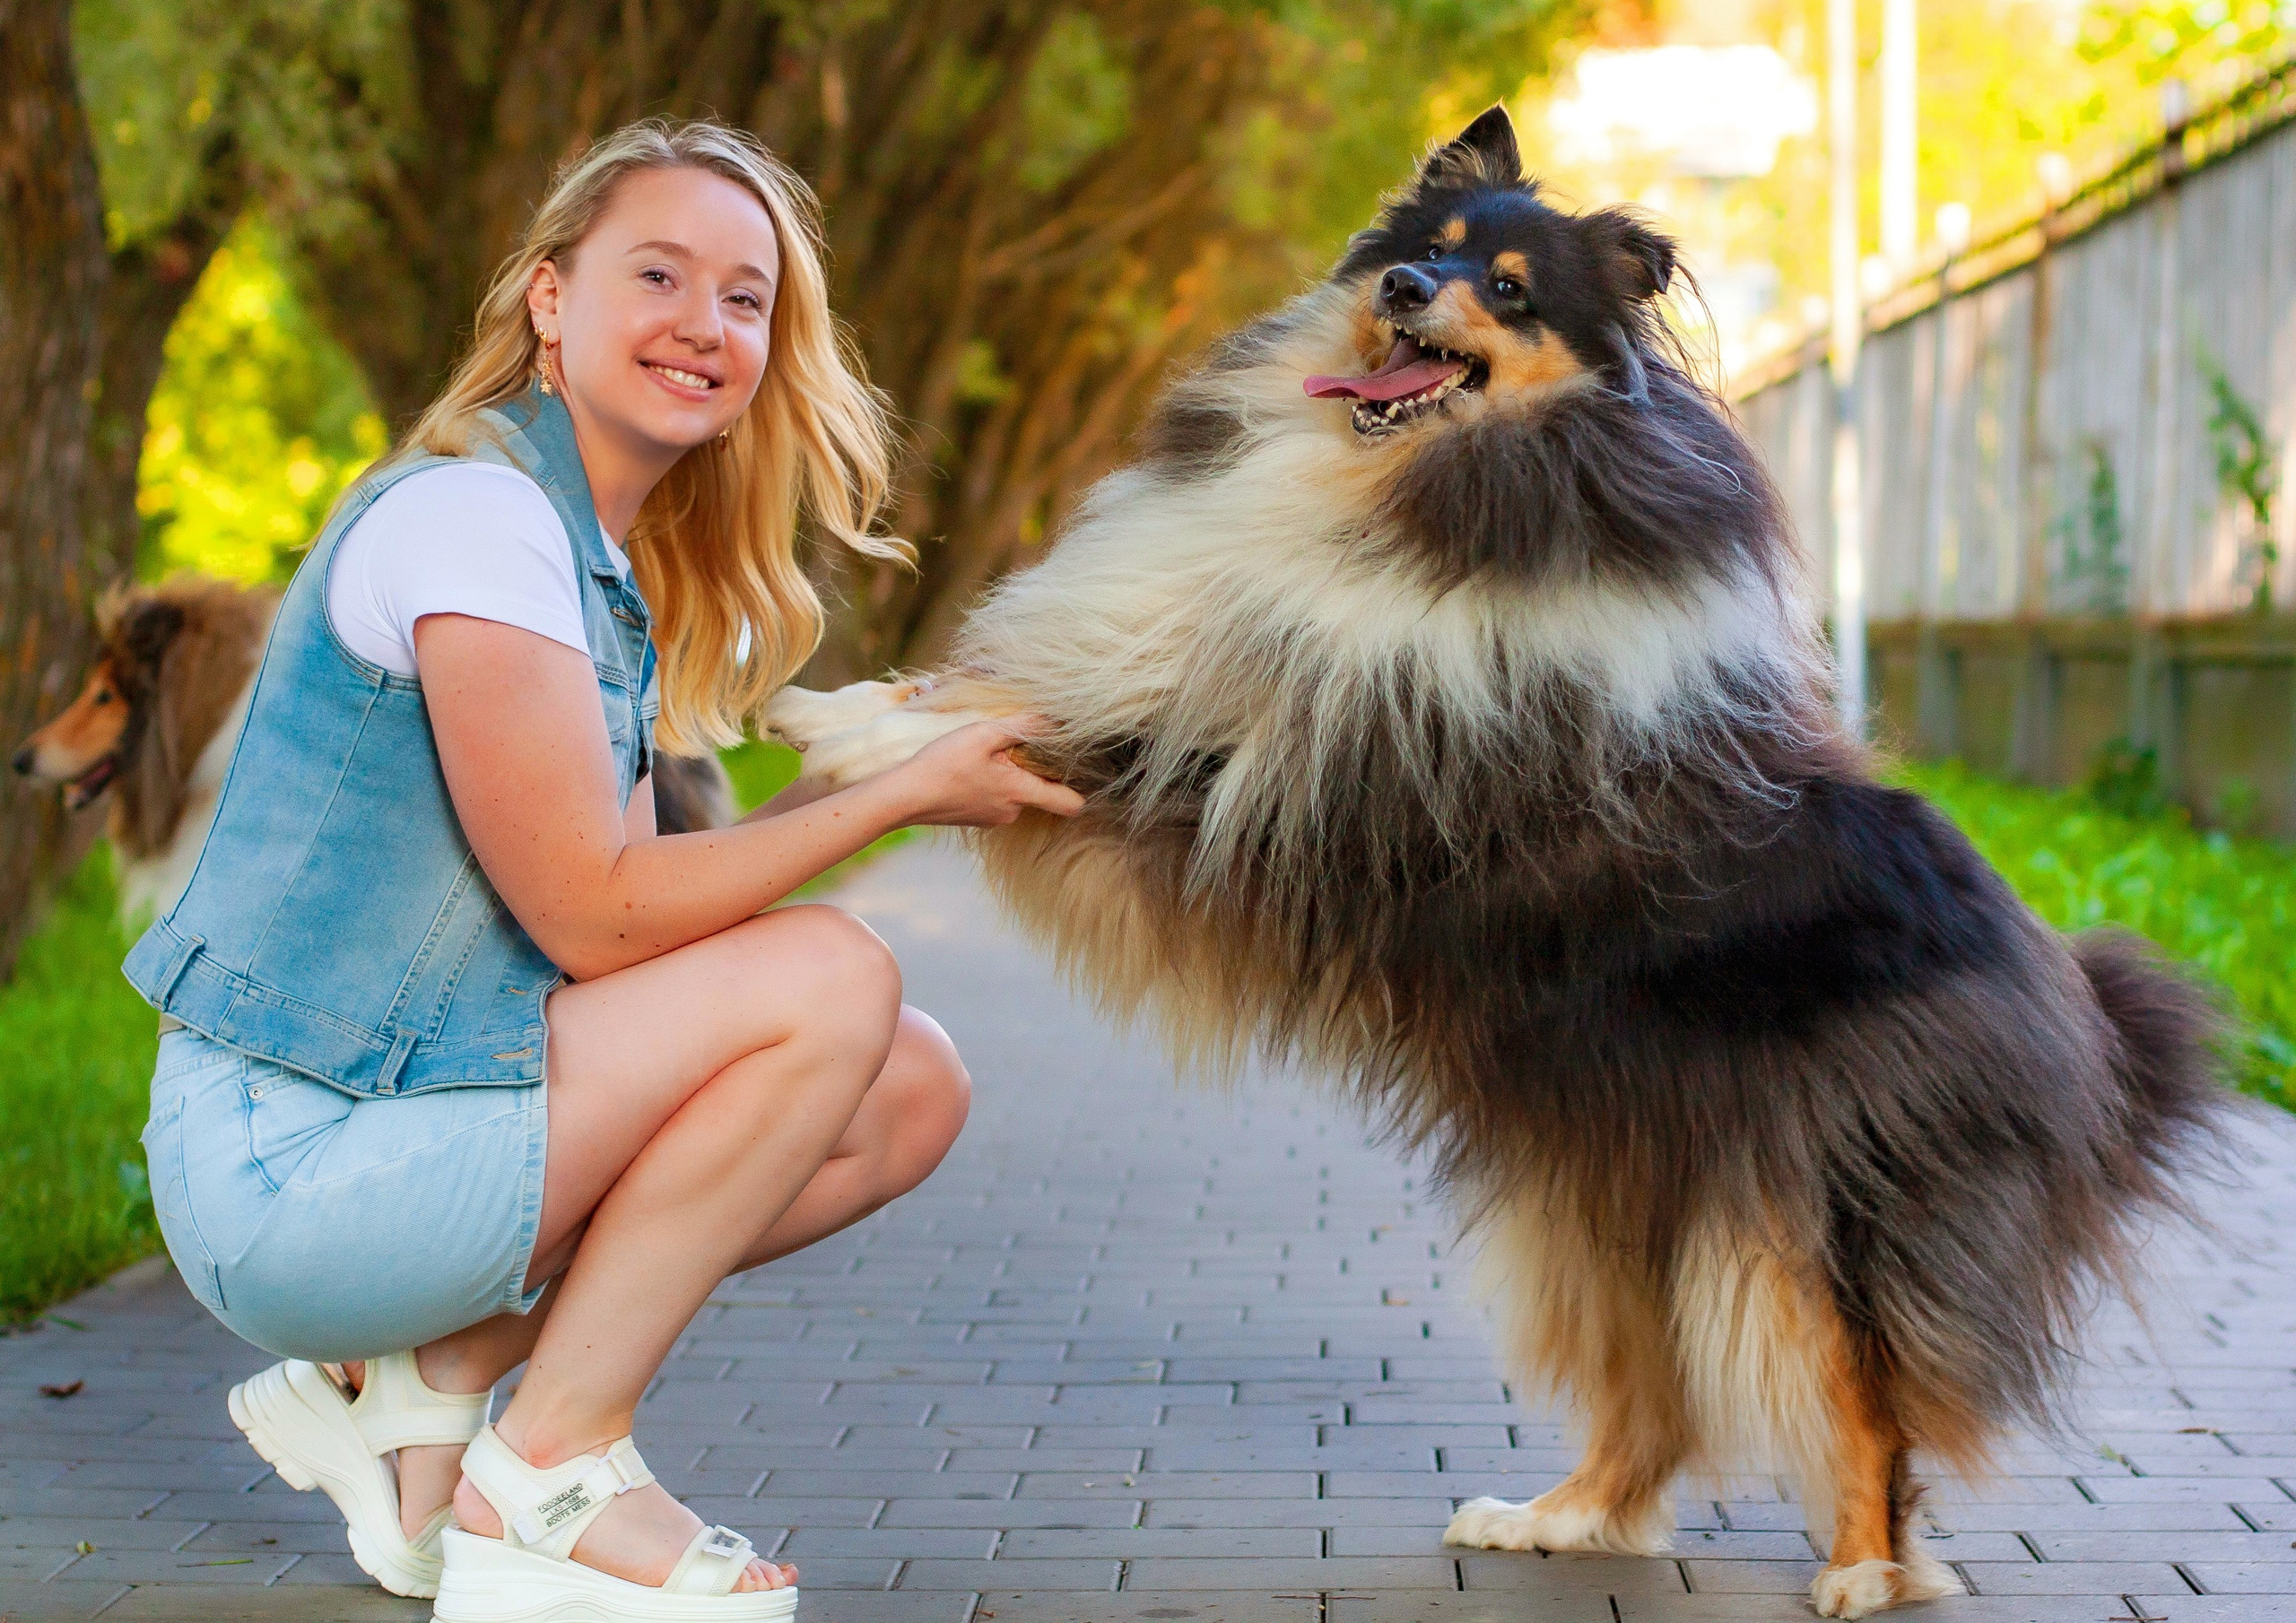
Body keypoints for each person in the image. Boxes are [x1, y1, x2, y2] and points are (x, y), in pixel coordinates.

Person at [122, 119, 1083, 1622]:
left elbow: (613, 945)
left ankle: (426, 1384)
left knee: (906, 1083)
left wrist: (870, 769)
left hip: (408, 1117)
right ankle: (551, 1468)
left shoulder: (585, 560)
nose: (708, 324)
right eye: (660, 274)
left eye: (747, 298)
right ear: (549, 300)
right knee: (833, 975)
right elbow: (597, 911)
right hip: (290, 1163)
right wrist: (890, 801)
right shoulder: (475, 518)